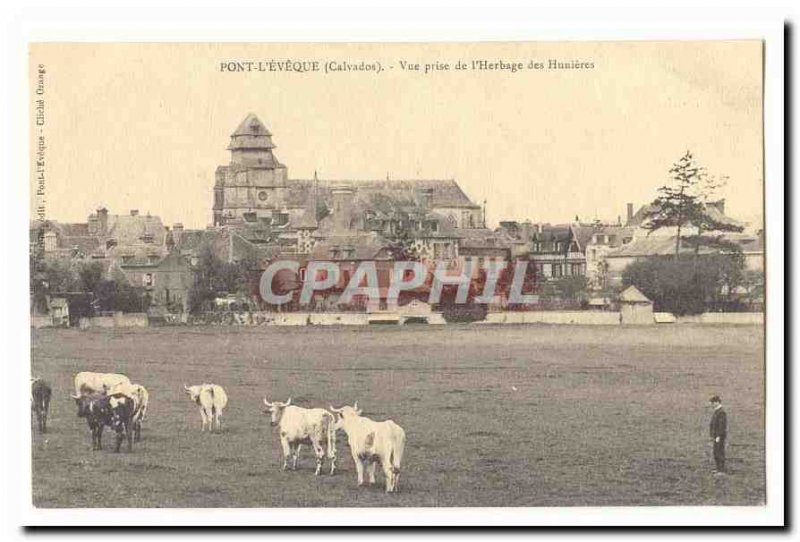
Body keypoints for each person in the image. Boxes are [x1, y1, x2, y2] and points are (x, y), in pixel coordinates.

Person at [709, 395, 728, 474]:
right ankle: (718, 469)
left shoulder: (721, 412)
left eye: (713, 403)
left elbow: (721, 426)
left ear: (717, 402)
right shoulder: (718, 411)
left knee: (719, 452)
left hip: (719, 436)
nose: (712, 405)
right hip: (716, 436)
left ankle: (721, 470)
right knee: (716, 452)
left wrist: (718, 436)